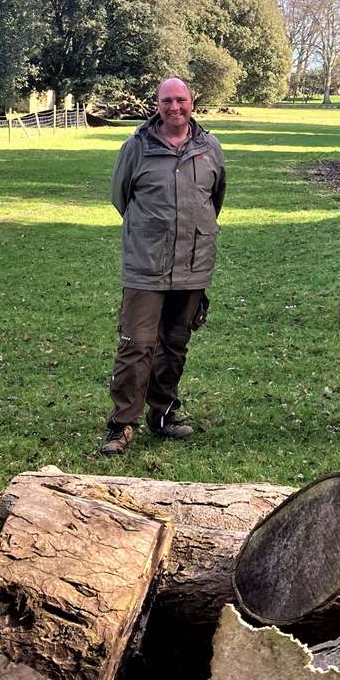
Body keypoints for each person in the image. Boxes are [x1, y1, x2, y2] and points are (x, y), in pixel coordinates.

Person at [100, 77, 226, 456]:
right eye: (167, 101)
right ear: (156, 105)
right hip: (146, 265)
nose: (175, 107)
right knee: (136, 345)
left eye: (181, 100)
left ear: (192, 102)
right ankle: (123, 424)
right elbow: (120, 198)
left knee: (174, 344)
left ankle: (163, 414)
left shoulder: (210, 148)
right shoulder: (136, 148)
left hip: (192, 264)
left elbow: (214, 199)